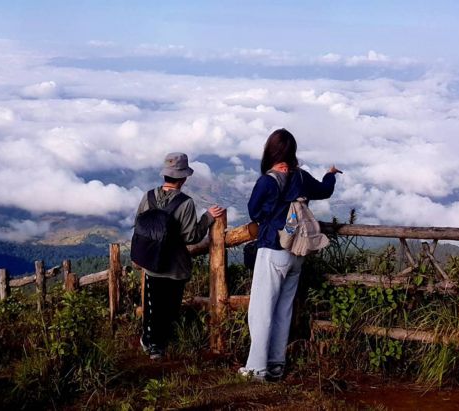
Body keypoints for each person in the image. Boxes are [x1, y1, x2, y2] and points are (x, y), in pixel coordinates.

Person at [239, 129, 341, 381]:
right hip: (297, 251)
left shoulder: (267, 181)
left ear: (270, 151)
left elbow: (254, 212)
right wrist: (330, 175)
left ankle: (256, 369)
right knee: (284, 308)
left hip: (273, 250)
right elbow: (325, 191)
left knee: (262, 310)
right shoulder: (302, 177)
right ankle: (276, 364)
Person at [136, 152, 225, 360]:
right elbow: (192, 236)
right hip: (175, 267)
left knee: (152, 306)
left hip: (151, 264)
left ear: (165, 175)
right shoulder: (185, 203)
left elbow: (139, 225)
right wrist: (208, 218)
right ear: (184, 178)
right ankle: (160, 344)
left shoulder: (147, 197)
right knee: (169, 307)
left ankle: (151, 342)